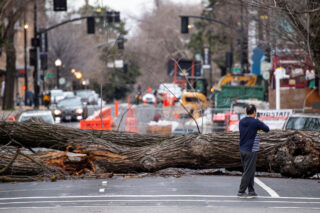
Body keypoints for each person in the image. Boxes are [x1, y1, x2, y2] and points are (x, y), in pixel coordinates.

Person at [237, 104, 269, 198]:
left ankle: (251, 190)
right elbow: (267, 129)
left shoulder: (241, 121)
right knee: (248, 171)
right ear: (254, 112)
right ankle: (241, 191)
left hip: (242, 149)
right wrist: (260, 121)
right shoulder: (256, 122)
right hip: (251, 150)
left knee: (249, 170)